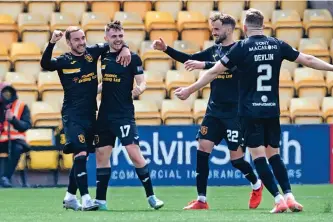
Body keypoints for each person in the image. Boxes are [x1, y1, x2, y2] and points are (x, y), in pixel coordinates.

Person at [175, 8, 333, 213]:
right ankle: (290, 197)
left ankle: (278, 200)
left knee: (258, 157)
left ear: (244, 27)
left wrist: (189, 89)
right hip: (272, 109)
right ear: (264, 25)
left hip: (249, 111)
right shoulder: (277, 44)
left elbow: (214, 71)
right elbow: (309, 60)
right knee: (274, 155)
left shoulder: (241, 48)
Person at [152, 12, 262, 210]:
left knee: (236, 160)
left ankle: (256, 184)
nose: (214, 32)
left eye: (217, 29)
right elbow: (190, 58)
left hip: (235, 113)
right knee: (202, 149)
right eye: (213, 29)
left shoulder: (240, 49)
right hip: (214, 111)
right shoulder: (214, 50)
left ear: (229, 29)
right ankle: (201, 200)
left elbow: (231, 68)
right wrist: (166, 49)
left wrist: (204, 65)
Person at [40, 26, 131, 211]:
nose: (81, 43)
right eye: (76, 40)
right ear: (69, 42)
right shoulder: (65, 60)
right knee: (80, 153)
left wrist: (126, 48)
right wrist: (51, 43)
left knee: (83, 156)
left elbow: (115, 42)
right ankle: (87, 198)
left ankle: (70, 197)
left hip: (91, 113)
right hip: (72, 115)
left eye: (83, 38)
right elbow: (45, 64)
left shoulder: (92, 52)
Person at [93, 21, 164, 210]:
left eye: (120, 36)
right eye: (114, 36)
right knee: (101, 156)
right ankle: (100, 201)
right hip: (104, 115)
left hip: (123, 114)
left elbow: (142, 82)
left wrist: (138, 89)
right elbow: (106, 83)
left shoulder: (132, 58)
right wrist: (91, 91)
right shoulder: (103, 56)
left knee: (134, 154)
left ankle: (152, 197)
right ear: (106, 37)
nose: (117, 39)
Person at [0, 83, 31, 188]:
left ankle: (5, 178)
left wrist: (13, 120)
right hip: (1, 140)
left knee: (17, 149)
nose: (6, 95)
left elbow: (26, 125)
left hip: (16, 141)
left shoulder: (21, 106)